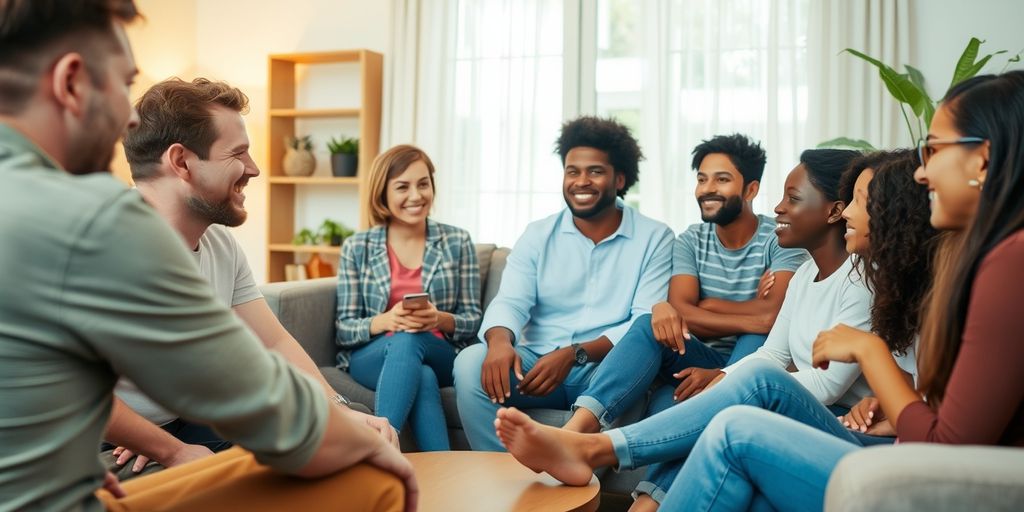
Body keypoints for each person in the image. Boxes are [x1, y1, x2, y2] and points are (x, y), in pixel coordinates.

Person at [0, 2, 414, 510]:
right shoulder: (93, 222)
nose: (130, 119)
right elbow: (241, 387)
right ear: (70, 83)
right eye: (123, 84)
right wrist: (358, 443)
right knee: (359, 483)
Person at [642, 69, 1024, 512]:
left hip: (944, 478)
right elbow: (949, 419)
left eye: (934, 149)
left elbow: (946, 451)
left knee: (737, 427)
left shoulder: (1009, 261)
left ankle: (602, 448)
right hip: (909, 451)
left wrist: (869, 352)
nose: (924, 173)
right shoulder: (983, 259)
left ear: (981, 159)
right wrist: (898, 404)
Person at [98, 77, 397, 481]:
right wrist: (170, 451)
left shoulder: (219, 243)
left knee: (350, 435)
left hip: (181, 421)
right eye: (238, 153)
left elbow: (274, 342)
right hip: (96, 438)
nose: (254, 169)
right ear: (182, 162)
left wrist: (338, 409)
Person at [561, 133, 808, 439]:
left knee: (754, 335)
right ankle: (576, 432)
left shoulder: (782, 238)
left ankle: (650, 489)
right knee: (648, 324)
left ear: (751, 189)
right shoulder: (690, 240)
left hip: (753, 364)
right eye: (702, 179)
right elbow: (679, 312)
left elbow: (772, 318)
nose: (707, 189)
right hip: (696, 358)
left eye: (721, 180)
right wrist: (743, 311)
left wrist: (708, 306)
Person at [452, 116, 675, 451]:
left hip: (606, 370)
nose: (581, 181)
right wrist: (499, 342)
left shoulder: (655, 237)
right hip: (535, 366)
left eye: (595, 171)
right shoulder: (538, 234)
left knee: (639, 373)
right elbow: (510, 301)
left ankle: (570, 470)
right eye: (572, 171)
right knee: (469, 362)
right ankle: (501, 477)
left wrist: (574, 354)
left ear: (620, 178)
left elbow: (644, 321)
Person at [335, 144, 482, 451]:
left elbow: (473, 320)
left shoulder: (457, 241)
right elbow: (344, 329)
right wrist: (384, 320)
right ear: (383, 193)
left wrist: (438, 319)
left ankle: (381, 449)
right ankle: (443, 473)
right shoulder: (357, 246)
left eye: (423, 184)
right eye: (403, 187)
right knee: (418, 369)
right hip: (374, 354)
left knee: (410, 339)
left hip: (439, 350)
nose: (416, 196)